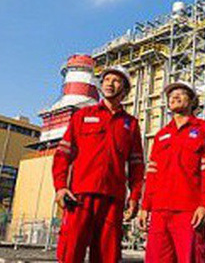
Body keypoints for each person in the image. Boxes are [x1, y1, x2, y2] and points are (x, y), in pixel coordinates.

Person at [53, 66, 145, 263]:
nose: (110, 83)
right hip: (80, 196)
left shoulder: (130, 124)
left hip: (113, 199)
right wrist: (60, 187)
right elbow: (62, 154)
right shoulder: (82, 115)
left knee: (107, 256)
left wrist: (134, 197)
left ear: (125, 90)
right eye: (106, 80)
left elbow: (137, 166)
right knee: (71, 252)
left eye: (116, 80)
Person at [138, 80, 205, 263]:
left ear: (192, 101)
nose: (174, 96)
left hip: (189, 210)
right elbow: (152, 174)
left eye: (181, 93)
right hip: (159, 211)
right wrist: (145, 207)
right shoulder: (161, 135)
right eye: (171, 94)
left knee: (190, 258)